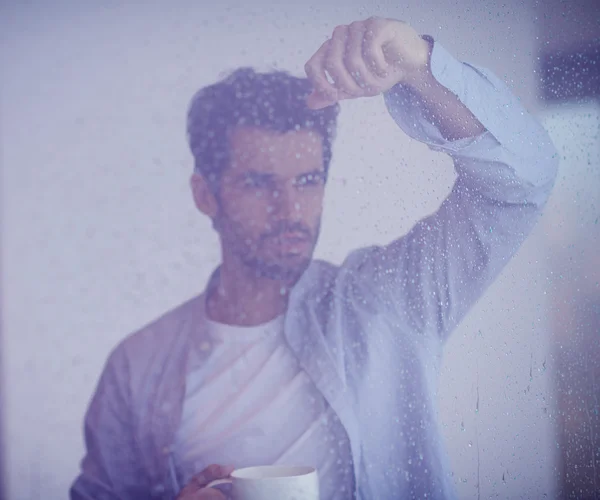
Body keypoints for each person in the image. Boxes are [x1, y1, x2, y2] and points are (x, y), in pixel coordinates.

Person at [70, 16, 558, 500]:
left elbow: (522, 182)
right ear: (206, 194)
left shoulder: (386, 304)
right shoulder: (135, 369)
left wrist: (421, 67)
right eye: (259, 184)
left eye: (306, 181)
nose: (290, 211)